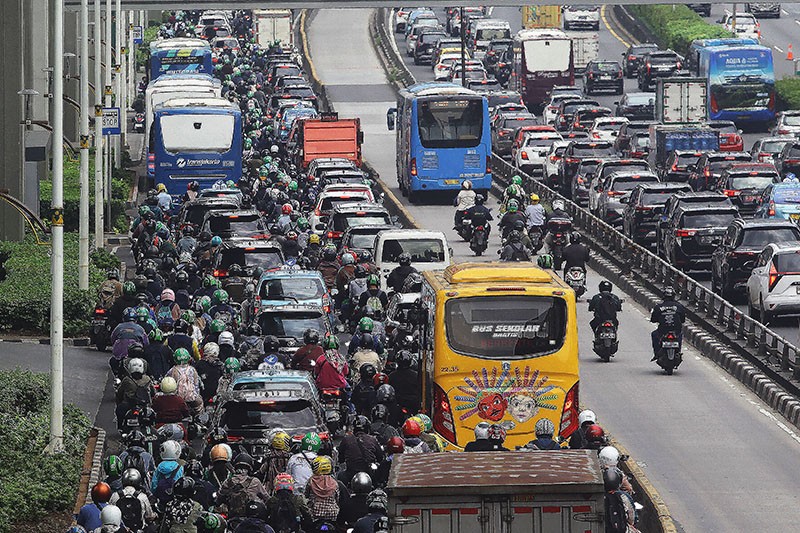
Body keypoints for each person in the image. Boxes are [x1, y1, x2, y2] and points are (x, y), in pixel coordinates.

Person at [216, 453, 270, 518]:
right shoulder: (255, 481)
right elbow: (267, 498)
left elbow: (218, 500)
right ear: (249, 468)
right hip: (249, 517)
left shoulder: (227, 482)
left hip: (231, 518)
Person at [337, 416, 384, 485]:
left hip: (351, 474)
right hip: (369, 474)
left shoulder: (346, 439)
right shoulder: (372, 439)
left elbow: (340, 459)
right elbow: (380, 457)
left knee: (339, 475)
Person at [114, 357, 153, 430]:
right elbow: (153, 392)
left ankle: (120, 427)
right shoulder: (147, 379)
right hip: (145, 404)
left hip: (129, 404)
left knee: (119, 410)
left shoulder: (127, 380)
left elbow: (119, 393)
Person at [650, 286, 685, 359]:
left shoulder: (658, 307)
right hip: (676, 330)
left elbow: (653, 319)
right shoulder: (679, 306)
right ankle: (678, 352)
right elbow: (683, 320)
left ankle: (657, 354)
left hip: (663, 331)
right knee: (680, 335)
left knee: (654, 334)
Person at [166, 348, 204, 416]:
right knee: (200, 405)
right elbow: (198, 384)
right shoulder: (192, 370)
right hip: (192, 399)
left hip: (178, 400)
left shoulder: (172, 371)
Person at [304, 456, 340, 523]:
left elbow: (306, 494)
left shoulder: (311, 481)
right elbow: (337, 498)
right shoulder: (334, 482)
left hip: (315, 514)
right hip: (332, 514)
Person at [152, 440, 184, 505]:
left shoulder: (159, 467)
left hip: (161, 497)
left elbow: (154, 483)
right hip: (174, 497)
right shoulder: (179, 467)